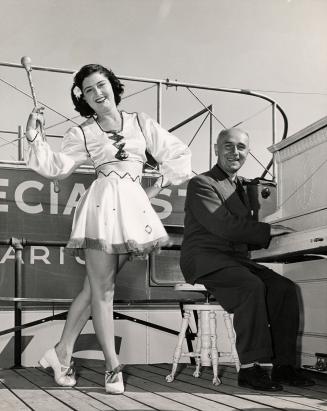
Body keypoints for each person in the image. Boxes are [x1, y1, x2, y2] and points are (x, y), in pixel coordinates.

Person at [25, 64, 192, 394]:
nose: (97, 93)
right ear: (83, 98)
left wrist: (153, 191)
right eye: (88, 90)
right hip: (101, 210)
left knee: (95, 288)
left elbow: (177, 155)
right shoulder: (83, 132)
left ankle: (59, 352)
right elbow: (55, 167)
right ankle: (112, 366)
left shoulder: (141, 122)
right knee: (103, 291)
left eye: (101, 85)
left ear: (113, 87)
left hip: (133, 212)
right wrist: (35, 134)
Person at [180, 127, 314, 391]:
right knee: (250, 286)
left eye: (241, 147)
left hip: (234, 259)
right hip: (205, 258)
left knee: (284, 289)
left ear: (248, 152)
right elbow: (225, 226)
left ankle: (284, 367)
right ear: (216, 150)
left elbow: (259, 213)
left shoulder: (240, 186)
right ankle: (250, 368)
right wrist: (269, 231)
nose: (235, 152)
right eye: (228, 146)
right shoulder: (202, 183)